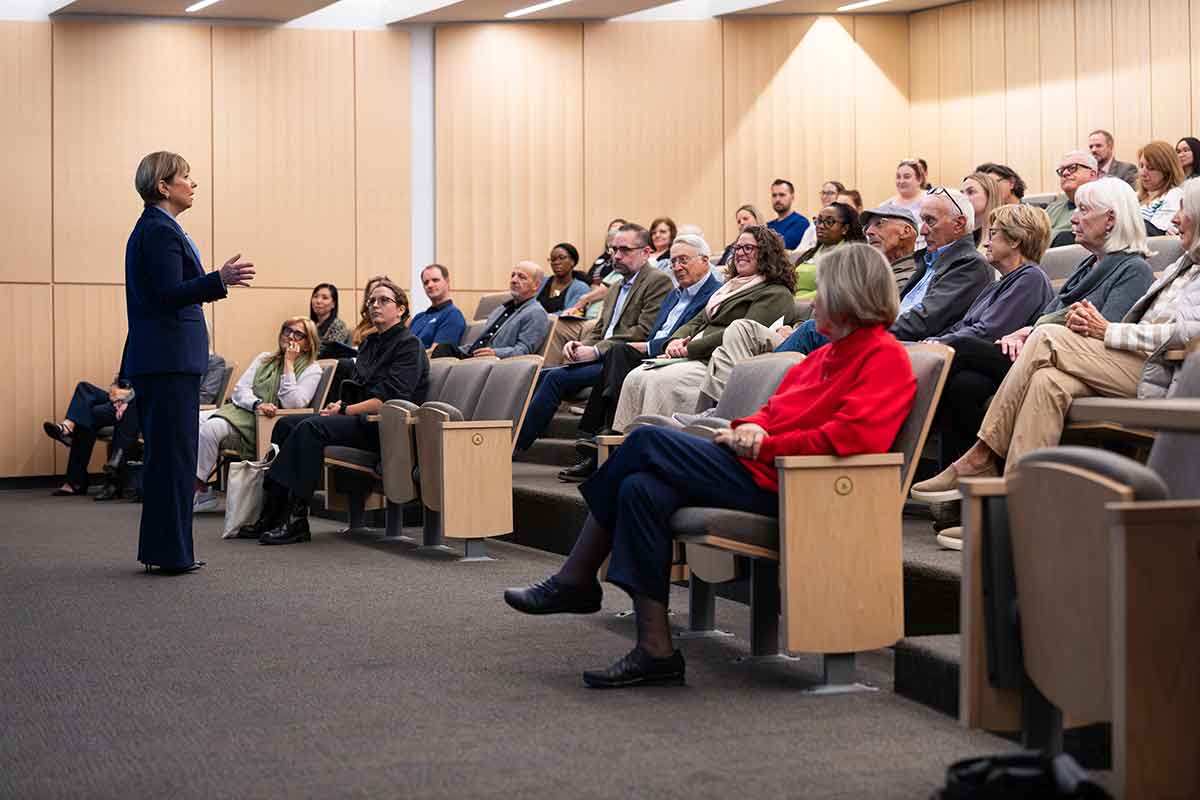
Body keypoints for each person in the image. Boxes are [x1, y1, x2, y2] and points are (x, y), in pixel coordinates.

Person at [502, 242, 917, 688]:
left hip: (797, 486)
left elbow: (851, 440)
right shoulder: (822, 355)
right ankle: (655, 648)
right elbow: (771, 410)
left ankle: (577, 577)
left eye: (824, 291)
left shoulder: (885, 358)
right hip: (763, 467)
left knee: (642, 440)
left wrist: (765, 445)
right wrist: (751, 428)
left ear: (850, 296)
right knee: (639, 488)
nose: (813, 301)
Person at [911, 178, 1172, 532]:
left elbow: (1103, 332)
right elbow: (1048, 317)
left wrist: (1038, 329)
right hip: (1062, 363)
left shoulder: (1133, 269)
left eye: (1083, 210)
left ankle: (982, 454)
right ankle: (1011, 520)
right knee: (1041, 382)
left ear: (1110, 220)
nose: (1073, 218)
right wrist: (1029, 329)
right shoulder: (1086, 266)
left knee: (1029, 340)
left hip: (1110, 364)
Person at [122, 150, 254, 574]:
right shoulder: (160, 231)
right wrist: (219, 280)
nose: (193, 184)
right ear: (164, 186)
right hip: (169, 360)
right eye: (186, 177)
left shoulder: (157, 228)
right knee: (173, 457)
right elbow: (166, 294)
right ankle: (170, 553)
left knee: (170, 456)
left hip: (166, 359)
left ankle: (165, 550)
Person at [239, 279, 430, 545]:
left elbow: (390, 398)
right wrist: (339, 406)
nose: (375, 305)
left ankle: (296, 520)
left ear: (400, 309)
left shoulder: (409, 345)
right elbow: (360, 388)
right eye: (372, 300)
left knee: (310, 428)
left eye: (384, 300)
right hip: (358, 419)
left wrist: (347, 409)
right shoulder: (370, 342)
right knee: (286, 425)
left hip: (387, 427)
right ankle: (273, 514)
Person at [516, 233, 714, 467]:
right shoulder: (618, 286)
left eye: (625, 250)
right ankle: (527, 443)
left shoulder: (660, 281)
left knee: (560, 377)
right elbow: (600, 328)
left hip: (640, 354)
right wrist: (583, 345)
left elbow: (644, 331)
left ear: (646, 253)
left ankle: (518, 447)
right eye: (614, 250)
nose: (617, 256)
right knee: (544, 374)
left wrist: (597, 351)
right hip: (620, 352)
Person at [610, 225, 796, 432]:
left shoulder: (776, 293)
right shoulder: (730, 287)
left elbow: (738, 334)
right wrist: (675, 340)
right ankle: (623, 441)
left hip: (720, 361)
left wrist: (690, 348)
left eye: (748, 248)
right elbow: (696, 321)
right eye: (738, 248)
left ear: (766, 252)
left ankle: (662, 445)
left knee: (658, 382)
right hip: (695, 355)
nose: (740, 253)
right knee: (637, 376)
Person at [778, 187, 993, 355]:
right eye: (923, 220)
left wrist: (860, 333)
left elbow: (923, 320)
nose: (924, 230)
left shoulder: (970, 265)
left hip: (905, 347)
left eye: (930, 221)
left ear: (959, 224)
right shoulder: (929, 261)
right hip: (886, 339)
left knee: (810, 332)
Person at [192, 317, 324, 513]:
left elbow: (292, 404)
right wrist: (257, 403)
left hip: (268, 423)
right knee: (189, 421)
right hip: (248, 410)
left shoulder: (312, 370)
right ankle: (190, 486)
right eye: (287, 330)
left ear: (307, 344)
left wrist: (289, 362)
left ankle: (198, 489)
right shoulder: (264, 358)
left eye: (298, 334)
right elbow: (240, 390)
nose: (290, 337)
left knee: (210, 429)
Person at [928, 204, 1055, 346]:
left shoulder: (1032, 279)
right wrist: (931, 342)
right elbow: (961, 327)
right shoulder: (997, 284)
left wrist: (936, 344)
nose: (986, 244)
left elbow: (988, 332)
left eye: (993, 234)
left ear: (1015, 240)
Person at [43, 375, 140, 501]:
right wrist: (114, 390)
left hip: (135, 405)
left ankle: (75, 480)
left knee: (86, 413)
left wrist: (127, 398)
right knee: (84, 389)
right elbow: (122, 379)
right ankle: (68, 425)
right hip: (120, 398)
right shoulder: (132, 357)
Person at [431, 262, 551, 359]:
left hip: (493, 364)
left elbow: (524, 351)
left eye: (521, 277)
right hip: (475, 356)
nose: (514, 280)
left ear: (536, 285)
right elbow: (481, 342)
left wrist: (495, 353)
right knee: (443, 348)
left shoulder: (536, 313)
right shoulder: (500, 309)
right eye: (513, 275)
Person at [790, 202, 865, 299]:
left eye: (829, 222)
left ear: (845, 228)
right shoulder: (811, 253)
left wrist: (794, 301)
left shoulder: (851, 257)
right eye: (818, 221)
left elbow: (833, 292)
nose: (820, 226)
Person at [1043, 151, 1100, 247]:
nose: (1065, 173)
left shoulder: (1101, 208)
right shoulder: (1053, 208)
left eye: (1072, 168)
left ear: (1092, 174)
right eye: (1061, 170)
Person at [862, 202, 921, 291]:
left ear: (905, 231)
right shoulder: (871, 273)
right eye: (866, 228)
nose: (868, 232)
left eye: (879, 223)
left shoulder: (916, 278)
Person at [409, 264, 467, 348]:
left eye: (435, 280)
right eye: (426, 283)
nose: (430, 285)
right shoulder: (418, 317)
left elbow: (436, 353)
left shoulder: (452, 314)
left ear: (447, 282)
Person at [1137, 140, 1185, 235]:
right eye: (1141, 166)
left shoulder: (1174, 194)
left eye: (1150, 168)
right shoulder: (1136, 196)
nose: (1143, 173)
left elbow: (1156, 234)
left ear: (1166, 170)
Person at [794, 181, 847, 252]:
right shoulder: (814, 224)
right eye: (823, 193)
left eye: (830, 193)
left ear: (840, 196)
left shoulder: (845, 221)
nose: (825, 196)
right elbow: (800, 249)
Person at [887, 159, 929, 249]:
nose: (901, 181)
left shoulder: (930, 200)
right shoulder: (887, 205)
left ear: (919, 179)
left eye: (907, 177)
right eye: (898, 177)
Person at [536, 243, 589, 314]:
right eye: (553, 259)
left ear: (572, 262)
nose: (556, 262)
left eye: (561, 258)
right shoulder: (541, 282)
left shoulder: (581, 288)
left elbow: (568, 314)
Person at [766, 179, 810, 249]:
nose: (777, 199)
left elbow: (781, 248)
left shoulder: (801, 223)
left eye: (782, 195)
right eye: (774, 195)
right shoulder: (768, 226)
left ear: (792, 197)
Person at [961, 172, 1002, 249]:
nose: (963, 198)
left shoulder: (1002, 235)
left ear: (989, 195)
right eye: (962, 193)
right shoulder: (959, 233)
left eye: (970, 192)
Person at [351, 275, 391, 347]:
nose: (376, 304)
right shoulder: (363, 325)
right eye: (372, 296)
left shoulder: (402, 322)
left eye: (383, 298)